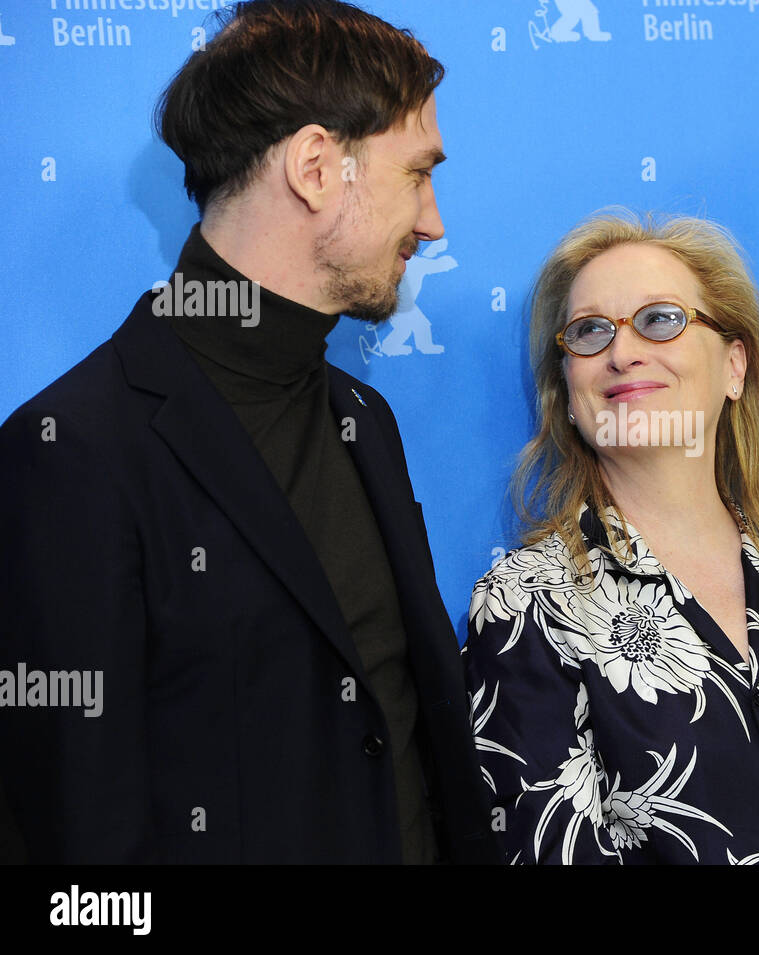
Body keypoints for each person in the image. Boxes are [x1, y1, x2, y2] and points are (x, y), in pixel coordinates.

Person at [0, 0, 498, 864]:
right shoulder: (72, 449)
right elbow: (78, 833)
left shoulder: (363, 418)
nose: (434, 221)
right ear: (315, 167)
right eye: (417, 174)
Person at [463, 210, 759, 865]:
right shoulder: (528, 605)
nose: (622, 351)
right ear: (566, 391)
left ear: (734, 365)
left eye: (660, 319)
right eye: (589, 331)